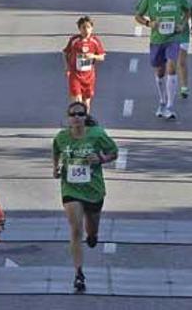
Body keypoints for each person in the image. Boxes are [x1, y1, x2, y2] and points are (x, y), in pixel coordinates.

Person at [52, 101, 119, 292]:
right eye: (73, 115)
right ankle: (78, 273)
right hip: (71, 188)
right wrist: (55, 168)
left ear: (85, 117)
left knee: (91, 228)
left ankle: (93, 235)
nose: (76, 118)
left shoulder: (97, 134)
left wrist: (102, 159)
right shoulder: (62, 137)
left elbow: (114, 152)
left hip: (93, 189)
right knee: (75, 229)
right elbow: (56, 150)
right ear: (68, 118)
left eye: (80, 114)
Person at [134, 0, 192, 119]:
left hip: (173, 38)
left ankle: (170, 106)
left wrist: (182, 24)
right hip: (157, 40)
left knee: (172, 67)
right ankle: (162, 100)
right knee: (160, 72)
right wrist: (149, 23)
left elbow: (188, 10)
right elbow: (138, 16)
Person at [63, 16, 106, 110]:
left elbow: (102, 57)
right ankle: (76, 122)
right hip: (75, 75)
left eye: (88, 27)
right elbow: (65, 53)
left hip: (89, 77)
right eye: (83, 27)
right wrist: (67, 67)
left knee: (86, 103)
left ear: (92, 28)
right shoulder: (74, 40)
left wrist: (93, 56)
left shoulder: (95, 41)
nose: (86, 30)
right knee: (77, 102)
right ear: (79, 29)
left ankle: (85, 122)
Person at [170, 0, 192, 98]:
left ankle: (184, 87)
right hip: (170, 36)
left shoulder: (185, 2)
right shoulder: (168, 3)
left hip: (183, 36)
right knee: (171, 63)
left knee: (182, 62)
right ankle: (171, 86)